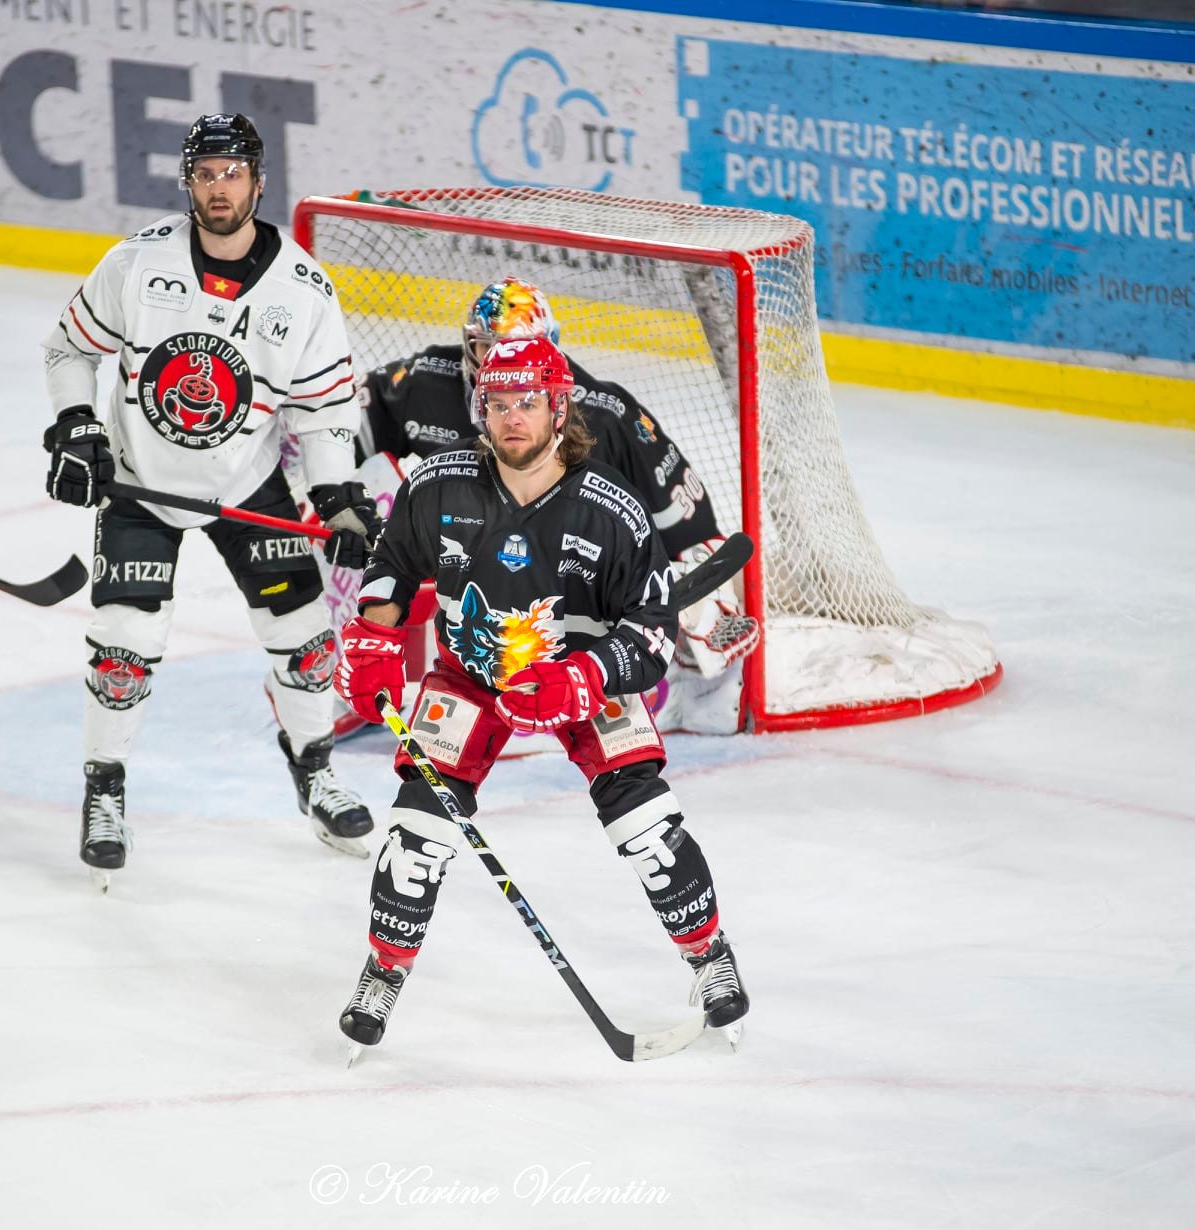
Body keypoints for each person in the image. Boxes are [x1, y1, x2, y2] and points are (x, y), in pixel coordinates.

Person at [331, 336, 749, 1052]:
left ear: (559, 409)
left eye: (527, 401)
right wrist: (373, 637)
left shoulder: (612, 511)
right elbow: (392, 564)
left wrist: (579, 678)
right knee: (419, 828)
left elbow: (652, 636)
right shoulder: (439, 484)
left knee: (644, 821)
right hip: (473, 674)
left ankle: (708, 956)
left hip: (581, 676)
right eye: (497, 403)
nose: (512, 417)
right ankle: (384, 969)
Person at [41, 113, 382, 877]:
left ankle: (316, 772)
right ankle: (105, 790)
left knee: (307, 644)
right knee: (124, 651)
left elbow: (325, 410)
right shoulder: (138, 263)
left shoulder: (304, 289)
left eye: (232, 173)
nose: (218, 187)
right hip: (139, 483)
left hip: (247, 486)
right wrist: (75, 426)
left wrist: (335, 495)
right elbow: (68, 348)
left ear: (258, 182)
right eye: (205, 174)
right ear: (187, 182)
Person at [352, 277, 759, 734]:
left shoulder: (606, 414)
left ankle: (678, 684)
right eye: (487, 347)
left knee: (693, 609)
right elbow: (333, 432)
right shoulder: (423, 381)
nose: (504, 368)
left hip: (566, 586)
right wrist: (339, 508)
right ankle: (355, 665)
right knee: (363, 502)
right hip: (463, 568)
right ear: (468, 344)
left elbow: (693, 530)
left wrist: (685, 607)